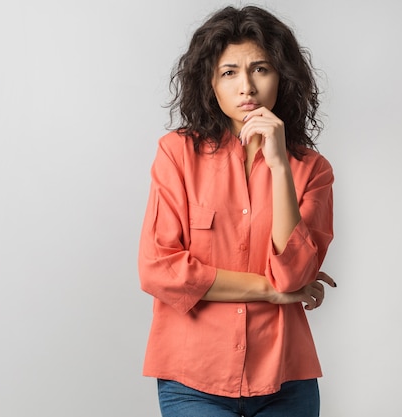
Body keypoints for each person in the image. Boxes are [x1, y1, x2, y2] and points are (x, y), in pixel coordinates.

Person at [138, 5, 335, 417]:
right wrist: (271, 290)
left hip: (286, 380)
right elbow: (159, 269)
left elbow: (294, 276)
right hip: (193, 380)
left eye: (260, 69)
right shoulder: (176, 155)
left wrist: (279, 165)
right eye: (229, 72)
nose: (246, 86)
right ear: (210, 82)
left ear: (283, 76)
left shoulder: (312, 170)